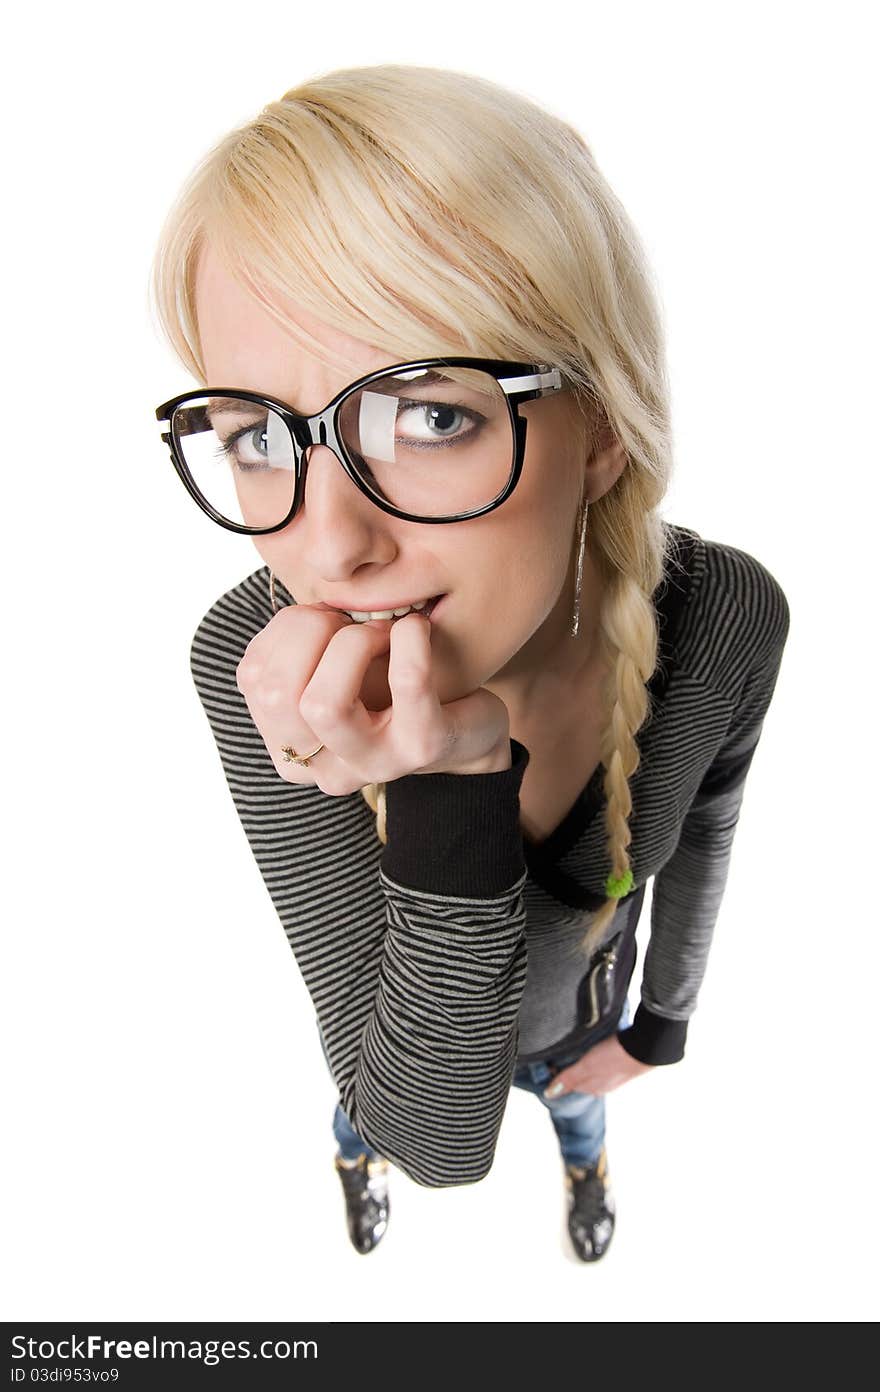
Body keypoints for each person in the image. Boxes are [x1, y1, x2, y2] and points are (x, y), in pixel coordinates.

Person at [150, 64, 790, 1263]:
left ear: (600, 427)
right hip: (403, 1061)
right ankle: (349, 1162)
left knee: (580, 1112)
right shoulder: (252, 663)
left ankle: (586, 1179)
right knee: (367, 1116)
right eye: (252, 436)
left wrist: (660, 1024)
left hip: (579, 1023)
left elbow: (706, 835)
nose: (329, 543)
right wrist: (449, 784)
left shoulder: (722, 617)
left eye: (428, 413)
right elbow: (433, 1134)